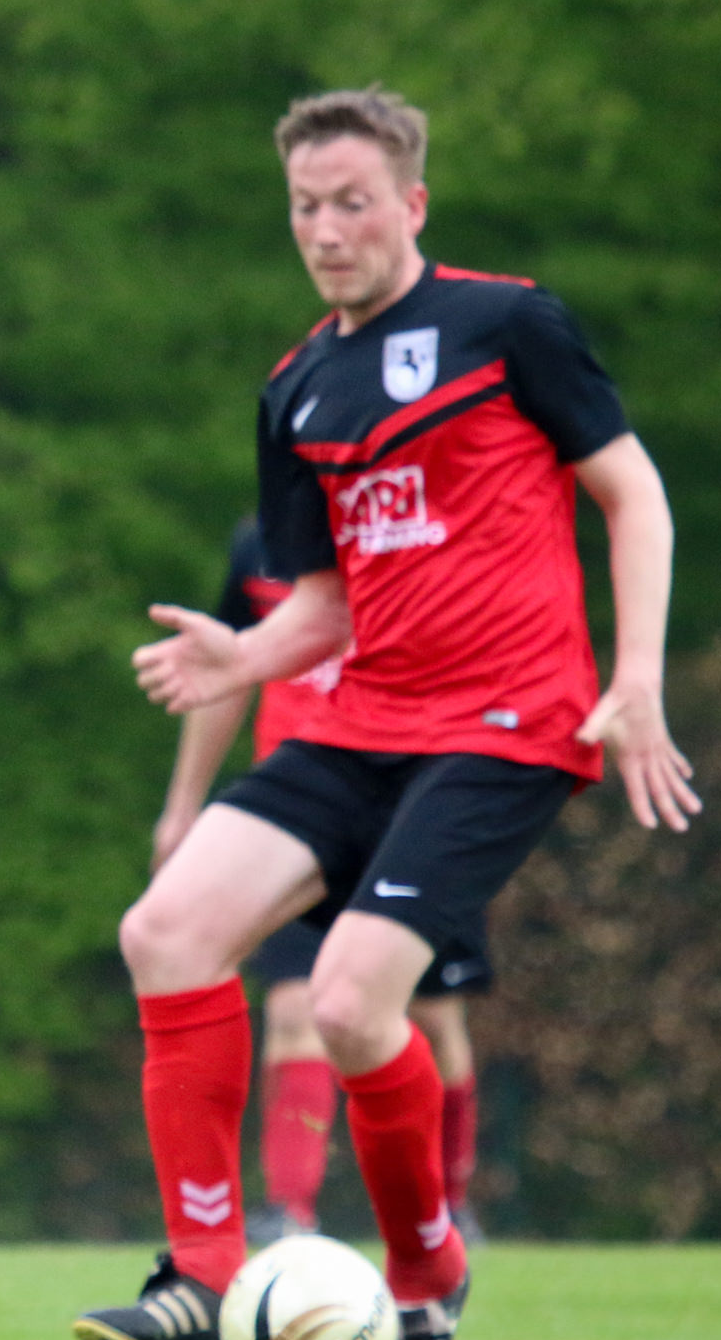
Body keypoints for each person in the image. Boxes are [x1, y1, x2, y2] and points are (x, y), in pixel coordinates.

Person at [76, 86, 698, 1340]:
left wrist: (635, 678)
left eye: (350, 202)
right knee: (163, 931)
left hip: (504, 724)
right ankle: (201, 1271)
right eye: (304, 206)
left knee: (351, 1002)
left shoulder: (506, 325)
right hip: (361, 718)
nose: (325, 228)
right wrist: (241, 658)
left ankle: (424, 1274)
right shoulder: (295, 387)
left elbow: (631, 492)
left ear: (411, 203)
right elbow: (324, 604)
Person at [150, 517, 490, 1246]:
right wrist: (184, 807)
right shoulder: (260, 543)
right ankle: (289, 1212)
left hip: (412, 803)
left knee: (429, 1018)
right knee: (294, 1008)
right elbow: (226, 672)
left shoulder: (422, 528)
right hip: (297, 813)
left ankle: (447, 1208)